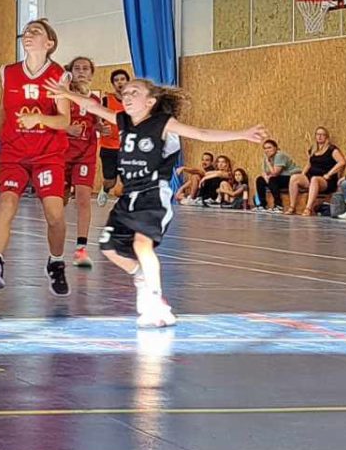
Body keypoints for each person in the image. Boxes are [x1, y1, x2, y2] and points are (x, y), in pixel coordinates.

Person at [47, 78, 263, 328]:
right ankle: (140, 276)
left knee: (142, 245)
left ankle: (155, 301)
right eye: (125, 92)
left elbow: (202, 133)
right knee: (108, 247)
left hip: (153, 194)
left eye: (134, 92)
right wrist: (65, 93)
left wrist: (242, 134)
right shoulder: (123, 120)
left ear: (150, 102)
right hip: (128, 197)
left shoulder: (163, 124)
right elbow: (93, 106)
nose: (127, 96)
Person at [0, 19, 71, 296]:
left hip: (47, 154)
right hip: (14, 151)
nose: (29, 33)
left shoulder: (58, 75)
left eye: (36, 31)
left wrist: (39, 118)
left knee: (54, 214)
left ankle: (56, 262)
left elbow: (65, 120)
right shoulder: (8, 71)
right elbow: (3, 108)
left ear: (49, 43)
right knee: (6, 203)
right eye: (27, 30)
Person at [59, 57, 104, 267]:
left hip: (85, 155)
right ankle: (56, 243)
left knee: (84, 199)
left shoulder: (94, 100)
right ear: (70, 72)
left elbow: (97, 123)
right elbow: (50, 122)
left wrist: (100, 128)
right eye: (77, 68)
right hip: (62, 154)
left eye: (86, 68)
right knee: (59, 201)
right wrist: (67, 128)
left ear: (91, 73)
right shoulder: (62, 96)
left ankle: (81, 249)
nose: (81, 72)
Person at [287, 127, 343, 217]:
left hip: (326, 180)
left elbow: (342, 162)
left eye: (322, 135)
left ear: (326, 137)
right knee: (294, 178)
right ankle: (292, 206)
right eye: (318, 134)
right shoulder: (313, 149)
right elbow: (309, 163)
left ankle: (308, 208)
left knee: (314, 179)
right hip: (311, 176)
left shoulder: (332, 149)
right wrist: (303, 174)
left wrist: (329, 174)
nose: (320, 136)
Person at [95, 69, 130, 206]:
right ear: (113, 84)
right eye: (116, 80)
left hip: (127, 147)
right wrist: (100, 127)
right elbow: (96, 120)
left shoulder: (134, 101)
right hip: (109, 147)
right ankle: (104, 189)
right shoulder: (106, 100)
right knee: (111, 181)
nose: (120, 82)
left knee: (128, 180)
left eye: (122, 79)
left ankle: (126, 204)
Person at [255, 139, 297, 211]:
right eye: (265, 148)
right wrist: (266, 177)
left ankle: (278, 205)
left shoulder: (279, 155)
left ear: (275, 148)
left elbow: (275, 173)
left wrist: (268, 163)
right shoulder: (266, 158)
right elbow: (264, 172)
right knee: (260, 180)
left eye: (269, 147)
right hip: (276, 178)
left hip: (289, 177)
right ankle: (262, 205)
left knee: (273, 180)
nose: (267, 150)